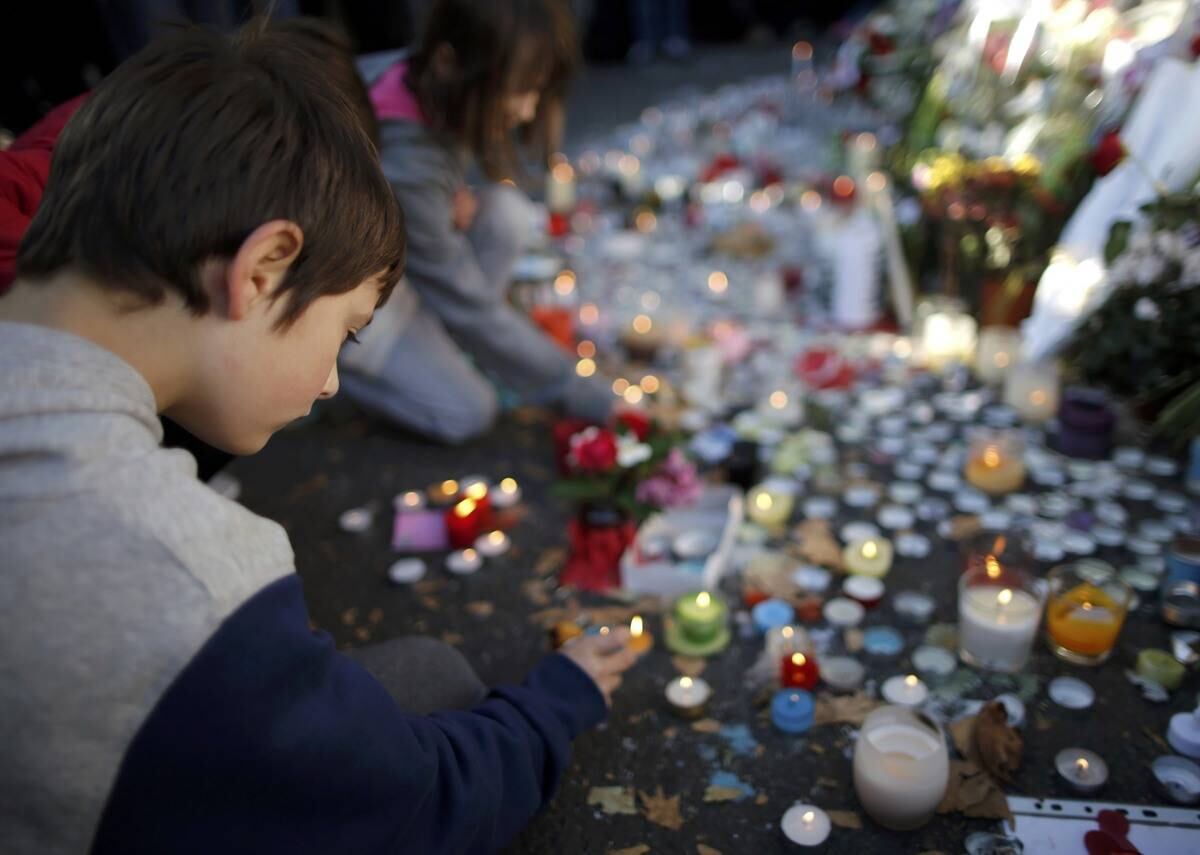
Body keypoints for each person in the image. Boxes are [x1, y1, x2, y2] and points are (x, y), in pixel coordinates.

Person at [0, 20, 640, 854]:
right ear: (263, 270)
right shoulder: (187, 576)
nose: (334, 379)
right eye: (345, 332)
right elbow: (422, 799)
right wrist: (561, 695)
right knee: (440, 679)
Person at [340, 0, 616, 445]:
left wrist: (443, 199)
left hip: (402, 264)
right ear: (451, 62)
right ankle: (347, 371)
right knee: (468, 411)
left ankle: (446, 348)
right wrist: (577, 390)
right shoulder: (410, 163)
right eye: (519, 89)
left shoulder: (418, 75)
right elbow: (467, 304)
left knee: (506, 211)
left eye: (537, 90)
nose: (527, 111)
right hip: (358, 300)